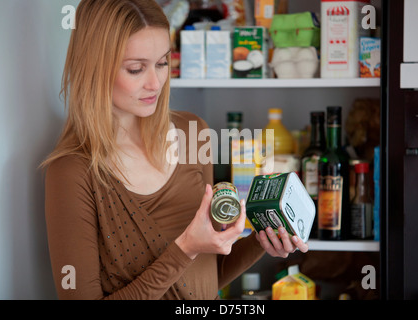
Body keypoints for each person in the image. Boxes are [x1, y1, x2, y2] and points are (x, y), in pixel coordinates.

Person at [42, 0, 308, 300]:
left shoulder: (193, 133)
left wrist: (262, 240)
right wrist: (186, 248)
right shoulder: (71, 172)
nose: (155, 83)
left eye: (162, 63)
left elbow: (206, 275)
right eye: (135, 69)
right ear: (93, 67)